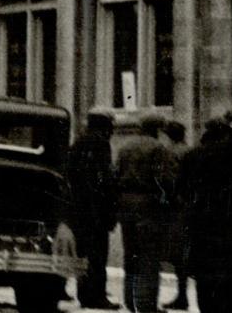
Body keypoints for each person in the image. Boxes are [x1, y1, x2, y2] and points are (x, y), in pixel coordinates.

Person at [188, 103, 232, 313]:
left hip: (203, 220)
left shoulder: (197, 153)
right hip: (228, 222)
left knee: (207, 276)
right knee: (231, 276)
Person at [116, 114, 177, 313]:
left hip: (126, 205)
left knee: (130, 254)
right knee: (149, 256)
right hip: (148, 205)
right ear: (157, 130)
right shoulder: (158, 149)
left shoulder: (125, 147)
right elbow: (165, 180)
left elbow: (114, 175)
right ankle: (145, 303)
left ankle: (130, 299)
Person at [67, 111, 119, 310]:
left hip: (80, 209)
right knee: (98, 254)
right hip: (96, 209)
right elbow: (103, 180)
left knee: (84, 253)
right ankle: (96, 295)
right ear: (105, 126)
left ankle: (84, 293)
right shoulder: (100, 144)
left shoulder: (78, 143)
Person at [162, 119, 191, 311]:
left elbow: (169, 181)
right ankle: (182, 295)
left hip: (177, 209)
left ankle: (182, 296)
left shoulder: (170, 152)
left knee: (178, 254)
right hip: (190, 206)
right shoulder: (189, 150)